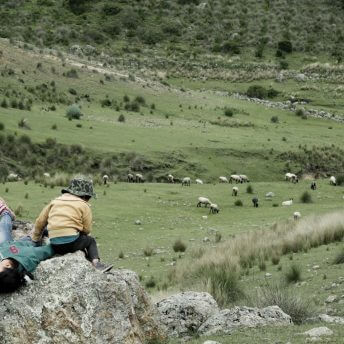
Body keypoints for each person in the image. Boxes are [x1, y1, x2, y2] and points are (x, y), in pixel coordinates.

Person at [31, 177, 112, 273]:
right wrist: (78, 229)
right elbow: (87, 230)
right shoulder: (84, 205)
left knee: (47, 231)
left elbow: (40, 222)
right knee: (90, 241)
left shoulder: (55, 201)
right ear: (86, 196)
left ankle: (38, 245)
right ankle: (96, 264)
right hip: (71, 243)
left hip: (54, 243)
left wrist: (35, 239)